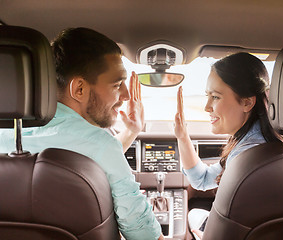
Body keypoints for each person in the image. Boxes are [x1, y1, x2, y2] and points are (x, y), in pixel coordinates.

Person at [0, 27, 163, 240]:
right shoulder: (101, 146)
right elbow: (142, 233)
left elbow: (86, 154)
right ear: (79, 89)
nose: (126, 95)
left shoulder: (5, 140)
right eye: (117, 84)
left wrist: (130, 132)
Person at [174, 52, 281, 239]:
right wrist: (183, 137)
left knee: (192, 216)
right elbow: (202, 179)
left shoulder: (245, 158)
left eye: (215, 97)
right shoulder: (264, 143)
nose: (207, 107)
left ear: (247, 102)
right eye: (207, 96)